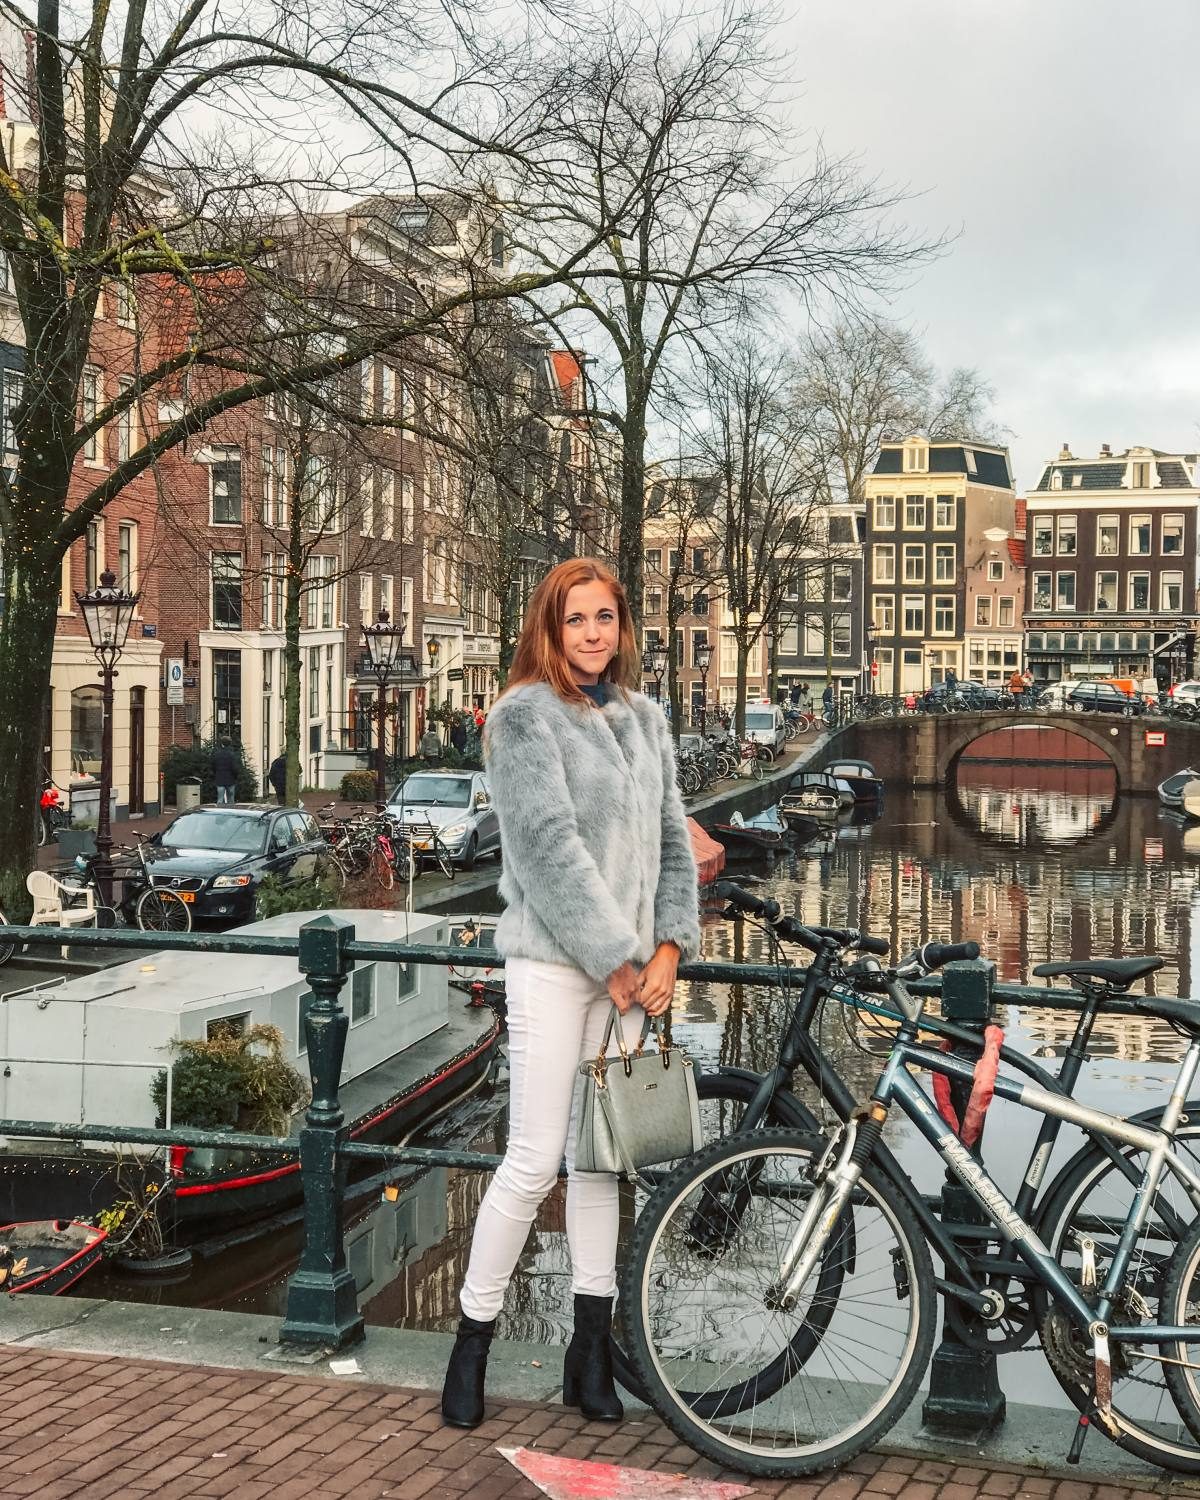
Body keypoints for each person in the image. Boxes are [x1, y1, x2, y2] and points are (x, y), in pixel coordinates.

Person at [440, 557, 700, 1432]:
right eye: (576, 619)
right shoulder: (521, 719)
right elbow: (546, 850)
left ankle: (588, 1358)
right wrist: (617, 958)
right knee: (532, 1157)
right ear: (548, 630)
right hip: (556, 967)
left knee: (603, 1162)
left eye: (606, 618)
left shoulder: (643, 719)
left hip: (630, 973)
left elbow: (671, 842)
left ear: (622, 627)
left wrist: (668, 947)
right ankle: (471, 1339)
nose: (594, 634)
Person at [211, 739, 238, 805]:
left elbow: (213, 766)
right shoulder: (232, 754)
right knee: (231, 799)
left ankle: (220, 813)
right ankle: (230, 813)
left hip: (219, 779)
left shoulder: (217, 754)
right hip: (230, 779)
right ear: (230, 744)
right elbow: (234, 768)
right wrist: (235, 776)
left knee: (220, 799)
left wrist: (216, 774)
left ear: (222, 744)